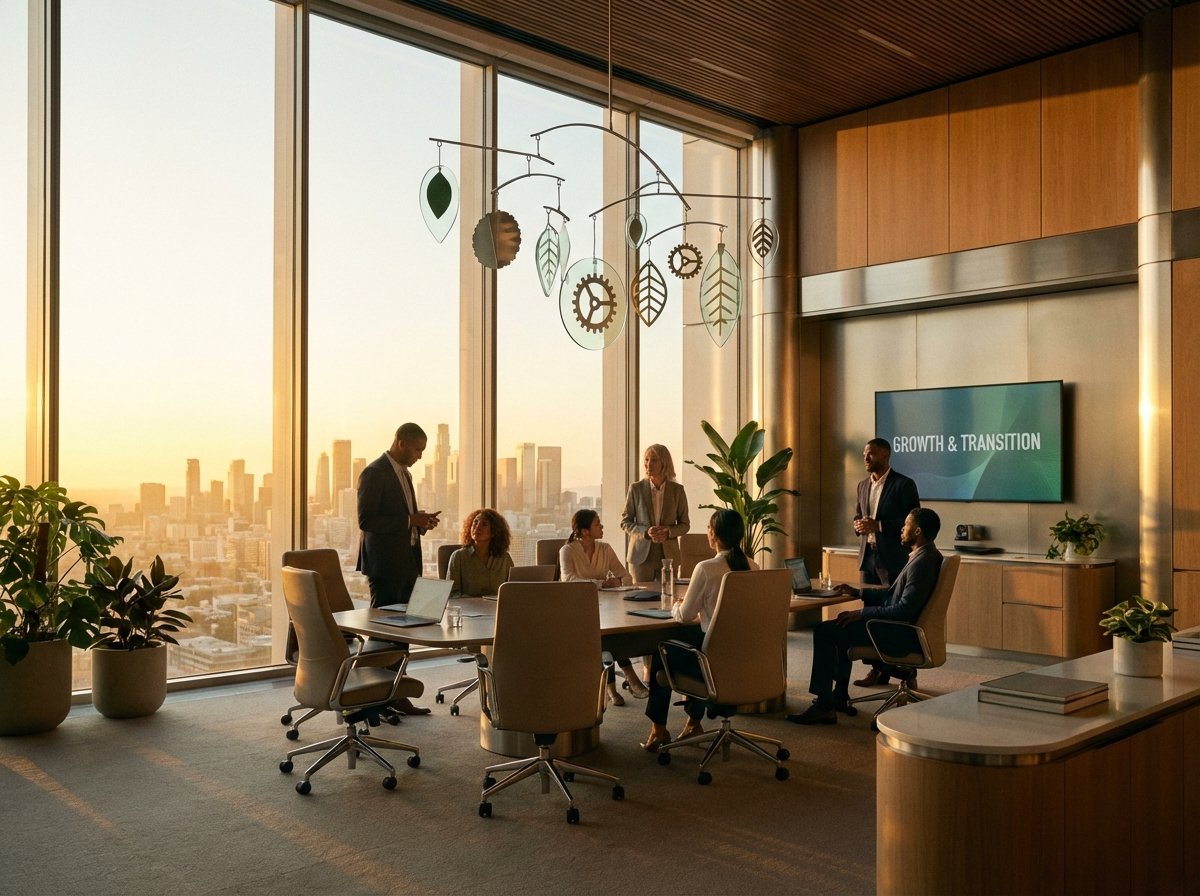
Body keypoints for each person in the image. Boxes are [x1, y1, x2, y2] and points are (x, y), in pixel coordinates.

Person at [787, 507, 943, 725]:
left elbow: (902, 610)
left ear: (917, 531)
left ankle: (824, 705)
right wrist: (858, 592)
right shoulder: (927, 555)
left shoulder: (922, 563)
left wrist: (861, 613)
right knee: (841, 626)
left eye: (906, 525)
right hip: (901, 629)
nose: (901, 529)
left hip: (898, 634)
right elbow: (893, 596)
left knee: (824, 631)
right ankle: (839, 697)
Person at [640, 509, 757, 753]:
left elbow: (685, 616)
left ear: (713, 534)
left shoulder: (707, 568)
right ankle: (693, 723)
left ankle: (658, 730)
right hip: (746, 657)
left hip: (712, 662)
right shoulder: (754, 566)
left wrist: (675, 605)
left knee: (663, 651)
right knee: (691, 643)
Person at [355, 422, 441, 716]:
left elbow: (404, 517)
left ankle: (395, 693)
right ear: (402, 443)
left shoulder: (405, 474)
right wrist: (409, 521)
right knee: (383, 632)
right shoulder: (375, 472)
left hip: (407, 562)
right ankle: (373, 697)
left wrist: (421, 522)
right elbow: (367, 520)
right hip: (385, 565)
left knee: (403, 632)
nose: (420, 456)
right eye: (418, 449)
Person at [559, 509, 650, 705]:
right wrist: (601, 583)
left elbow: (626, 576)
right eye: (597, 524)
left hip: (606, 605)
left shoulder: (605, 549)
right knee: (603, 634)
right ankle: (628, 678)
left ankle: (612, 689)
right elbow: (568, 579)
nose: (601, 527)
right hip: (577, 608)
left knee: (610, 634)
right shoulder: (567, 551)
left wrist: (617, 581)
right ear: (584, 531)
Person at [852, 438, 921, 687]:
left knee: (896, 616)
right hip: (868, 557)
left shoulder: (904, 485)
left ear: (885, 455)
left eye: (870, 454)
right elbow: (858, 516)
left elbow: (913, 522)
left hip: (893, 558)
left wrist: (878, 526)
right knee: (870, 615)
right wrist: (858, 525)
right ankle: (877, 670)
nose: (866, 458)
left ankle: (907, 671)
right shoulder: (861, 486)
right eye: (864, 454)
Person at [620, 444, 691, 583]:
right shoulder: (636, 489)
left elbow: (685, 525)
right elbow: (625, 522)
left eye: (653, 460)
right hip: (640, 556)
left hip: (668, 556)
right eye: (646, 460)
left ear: (664, 463)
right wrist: (646, 531)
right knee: (640, 599)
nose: (648, 464)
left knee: (668, 597)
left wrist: (668, 531)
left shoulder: (678, 491)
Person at [447, 508, 514, 596]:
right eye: (475, 522)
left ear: (494, 532)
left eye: (484, 524)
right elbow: (451, 593)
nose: (477, 527)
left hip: (496, 608)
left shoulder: (504, 558)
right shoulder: (458, 557)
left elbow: (512, 589)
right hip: (468, 608)